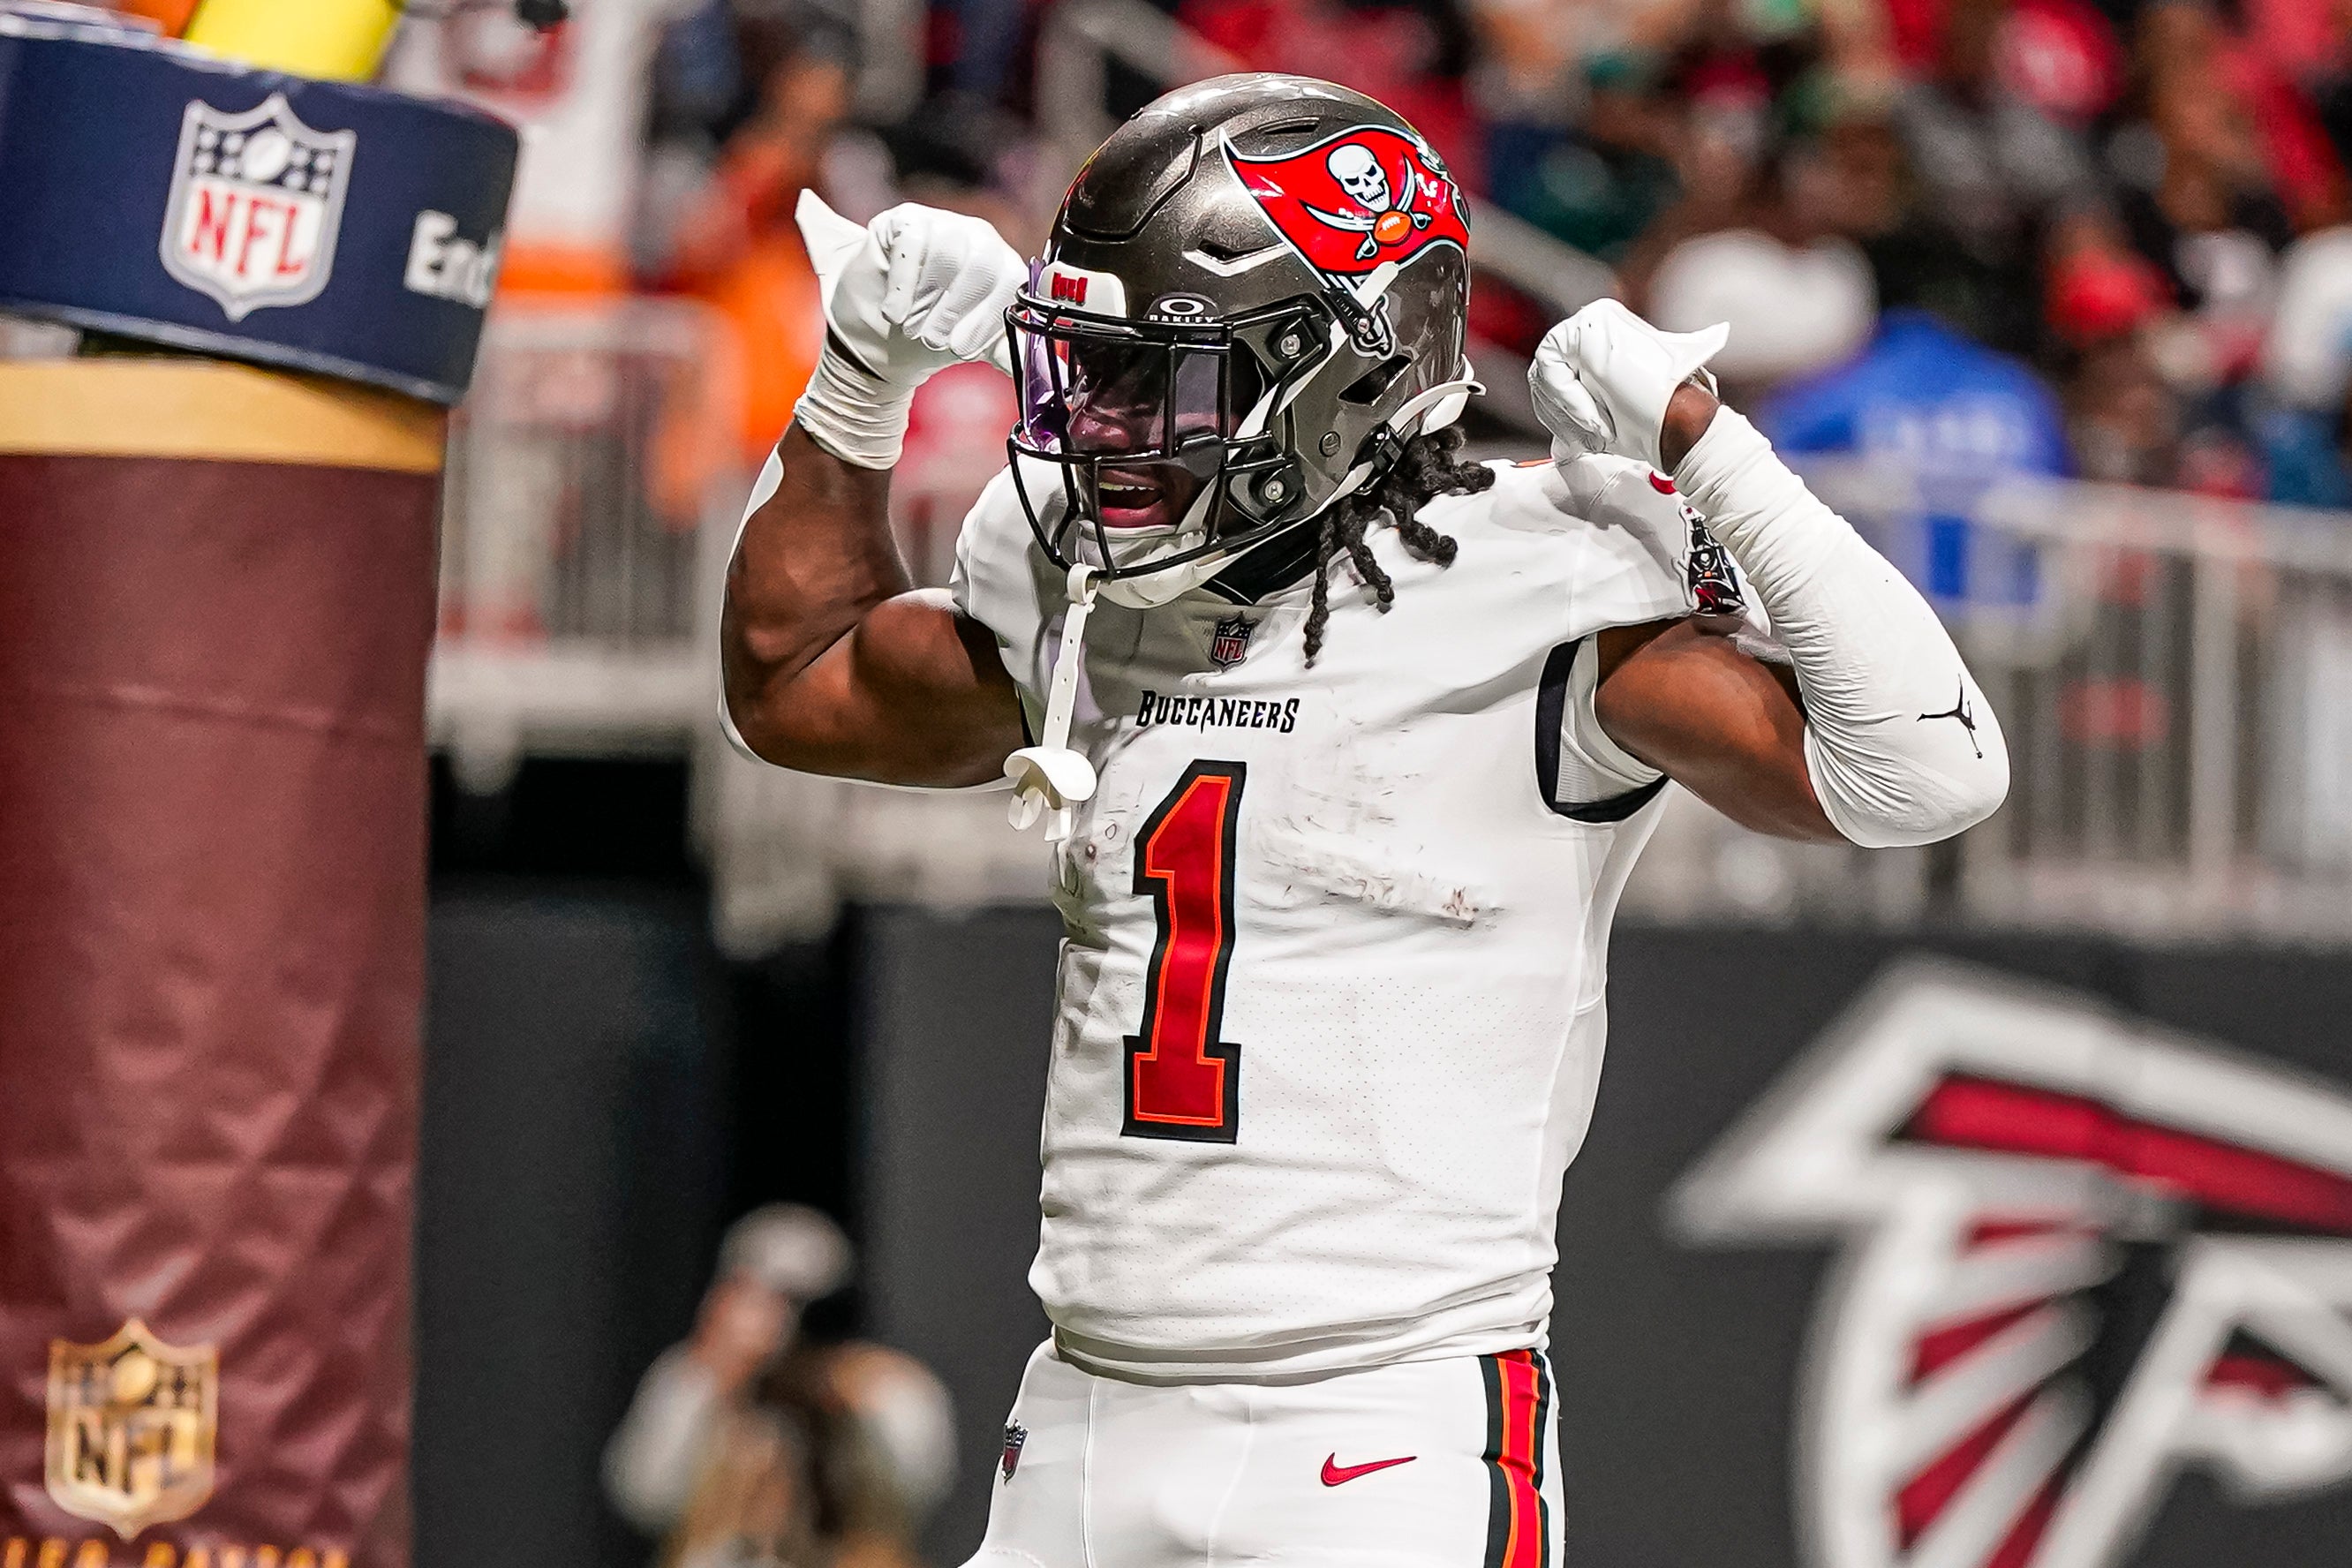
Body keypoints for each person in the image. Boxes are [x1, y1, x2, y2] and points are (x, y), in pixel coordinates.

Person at [720, 74, 2008, 1568]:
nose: (1106, 430)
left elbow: (1923, 771)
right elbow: (795, 687)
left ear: (1339, 377)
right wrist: (855, 383)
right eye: (1095, 374)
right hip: (1080, 1410)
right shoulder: (1080, 578)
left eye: (1164, 384)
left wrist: (1709, 449)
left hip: (1380, 1428)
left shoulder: (1543, 583)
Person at [604, 1204, 954, 1568]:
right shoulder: (699, 1377)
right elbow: (643, 1496)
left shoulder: (878, 1384)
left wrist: (849, 1400)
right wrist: (716, 1382)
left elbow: (921, 1486)